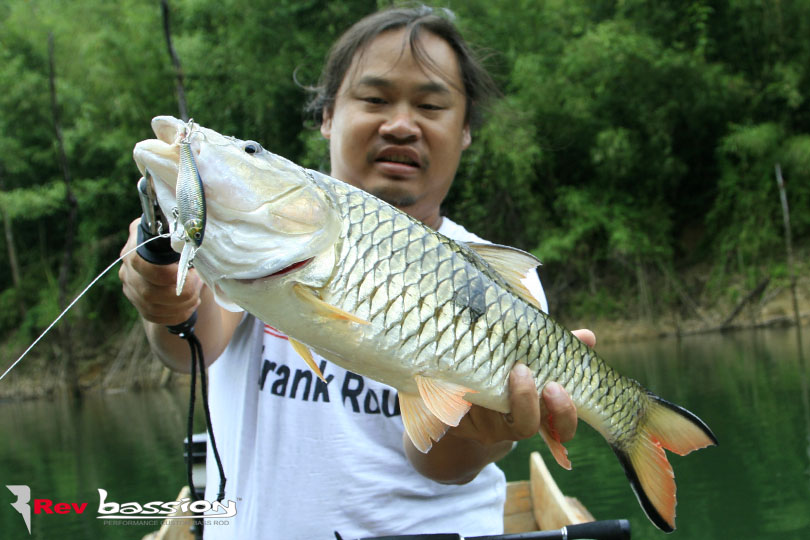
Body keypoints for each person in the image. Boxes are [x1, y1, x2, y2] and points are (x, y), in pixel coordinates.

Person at [119, 6, 594, 539]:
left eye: (431, 104)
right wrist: (162, 293)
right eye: (373, 98)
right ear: (326, 115)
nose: (399, 124)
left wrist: (488, 431)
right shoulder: (259, 235)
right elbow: (189, 343)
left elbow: (439, 465)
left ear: (465, 131)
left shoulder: (501, 282)